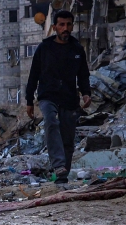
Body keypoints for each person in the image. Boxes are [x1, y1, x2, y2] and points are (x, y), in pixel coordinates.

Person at [25, 10, 91, 184]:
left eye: (68, 25)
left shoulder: (77, 49)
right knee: (51, 121)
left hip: (69, 98)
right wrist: (29, 101)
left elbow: (83, 75)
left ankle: (62, 175)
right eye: (61, 25)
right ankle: (58, 164)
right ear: (54, 27)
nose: (65, 28)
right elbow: (33, 75)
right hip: (48, 96)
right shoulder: (44, 48)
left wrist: (86, 93)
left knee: (68, 138)